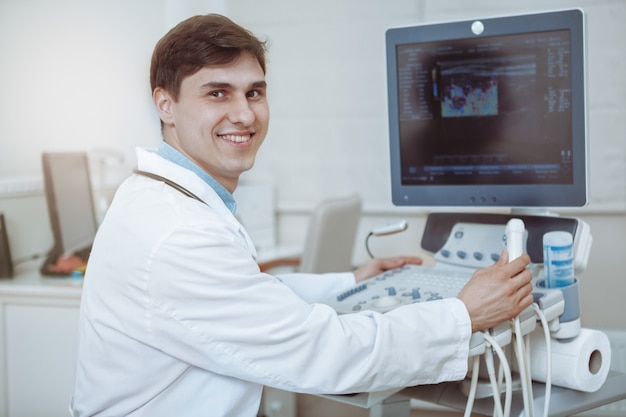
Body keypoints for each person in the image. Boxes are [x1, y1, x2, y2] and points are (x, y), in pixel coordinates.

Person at [69, 14, 533, 417]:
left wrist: (351, 282)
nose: (244, 114)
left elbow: (243, 296)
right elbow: (319, 353)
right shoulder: (177, 233)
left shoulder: (166, 198)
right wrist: (462, 316)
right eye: (217, 93)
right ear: (165, 104)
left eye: (254, 92)